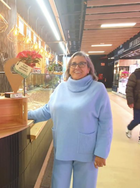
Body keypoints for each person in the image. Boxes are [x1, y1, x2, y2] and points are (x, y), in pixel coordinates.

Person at [28, 51, 113, 188]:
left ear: (89, 68)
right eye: (73, 64)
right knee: (58, 185)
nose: (77, 67)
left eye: (81, 63)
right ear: (69, 68)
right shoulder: (61, 87)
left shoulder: (98, 89)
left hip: (87, 150)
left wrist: (101, 152)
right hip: (62, 146)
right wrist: (25, 114)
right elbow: (47, 111)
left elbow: (106, 124)